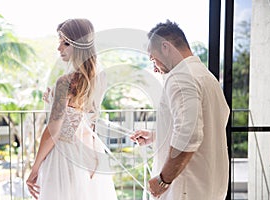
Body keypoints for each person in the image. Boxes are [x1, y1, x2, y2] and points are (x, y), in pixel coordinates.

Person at [130, 20, 230, 200]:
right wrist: (156, 136)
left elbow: (189, 135)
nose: (154, 67)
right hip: (211, 185)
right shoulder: (206, 76)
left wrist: (163, 180)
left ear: (166, 47)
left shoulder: (179, 78)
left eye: (153, 59)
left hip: (186, 187)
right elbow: (200, 126)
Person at [26, 18, 117, 200]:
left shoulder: (65, 82)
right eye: (59, 42)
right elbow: (84, 118)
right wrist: (54, 98)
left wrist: (35, 168)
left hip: (63, 156)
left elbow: (54, 131)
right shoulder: (98, 78)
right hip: (88, 151)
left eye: (65, 43)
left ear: (79, 45)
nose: (59, 48)